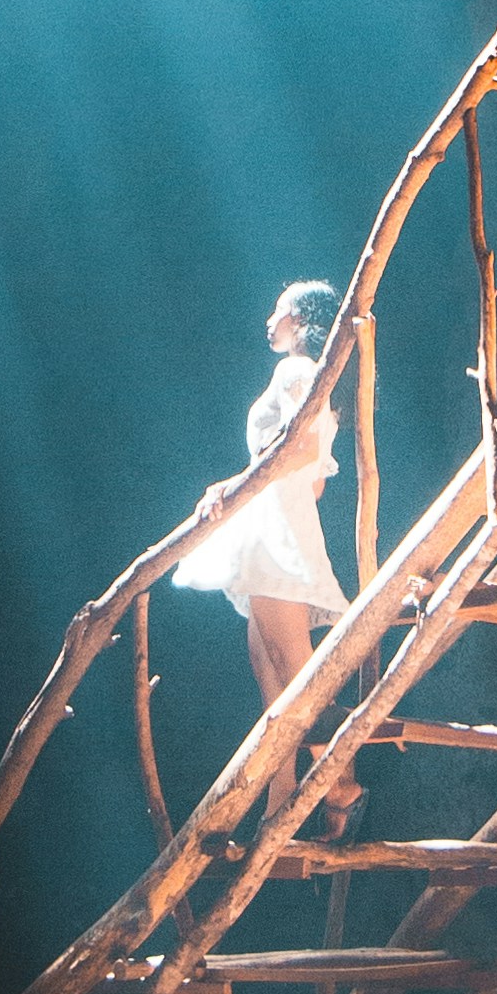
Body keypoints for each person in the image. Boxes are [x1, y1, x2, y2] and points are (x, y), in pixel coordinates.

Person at [172, 277, 363, 823]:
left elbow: (300, 448)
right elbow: (316, 476)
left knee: (291, 667)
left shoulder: (298, 370)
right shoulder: (319, 381)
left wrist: (232, 487)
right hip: (279, 515)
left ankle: (342, 784)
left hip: (274, 525)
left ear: (301, 322)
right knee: (269, 668)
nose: (269, 322)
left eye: (278, 313)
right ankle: (281, 796)